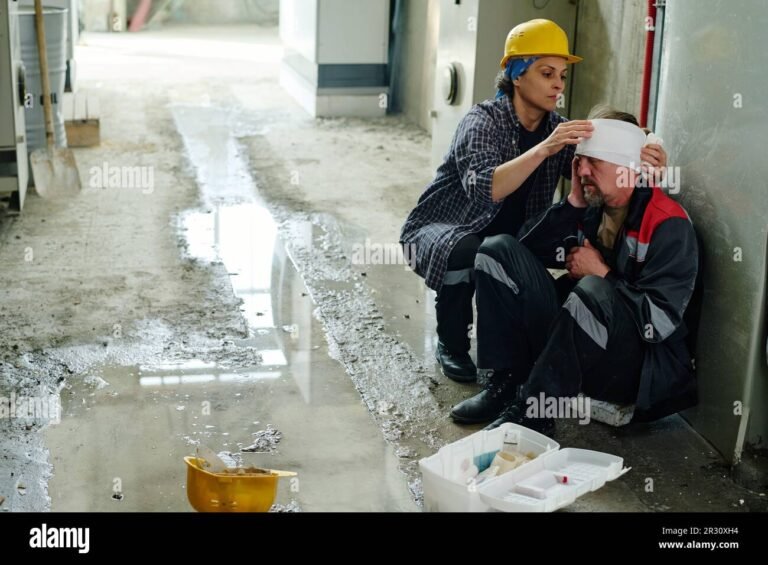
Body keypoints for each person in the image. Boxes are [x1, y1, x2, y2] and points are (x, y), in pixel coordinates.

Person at [399, 19, 667, 383]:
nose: (558, 84)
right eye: (546, 73)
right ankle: (452, 342)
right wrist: (545, 148)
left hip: (514, 236)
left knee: (530, 249)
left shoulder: (556, 129)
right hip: (447, 228)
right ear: (516, 73)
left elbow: (601, 161)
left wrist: (644, 148)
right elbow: (487, 189)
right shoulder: (483, 122)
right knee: (465, 250)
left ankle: (521, 356)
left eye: (562, 75)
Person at [449, 114, 699, 434]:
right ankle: (507, 383)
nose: (581, 171)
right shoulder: (592, 206)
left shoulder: (667, 224)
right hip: (577, 341)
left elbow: (658, 324)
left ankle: (533, 412)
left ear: (625, 167)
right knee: (496, 251)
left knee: (593, 290)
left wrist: (603, 274)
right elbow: (524, 252)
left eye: (592, 162)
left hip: (632, 370)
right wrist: (573, 203)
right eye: (579, 161)